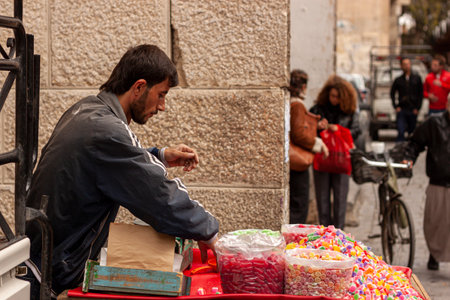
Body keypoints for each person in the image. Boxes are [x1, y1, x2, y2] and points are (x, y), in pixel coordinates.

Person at [24, 44, 219, 298]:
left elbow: (106, 166)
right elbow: (157, 194)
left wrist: (159, 155)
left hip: (40, 259)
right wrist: (209, 231)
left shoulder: (87, 109)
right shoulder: (108, 130)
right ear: (138, 87)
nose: (162, 106)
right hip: (45, 272)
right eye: (161, 95)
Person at [404, 100, 450, 271]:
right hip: (438, 180)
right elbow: (415, 142)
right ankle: (434, 254)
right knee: (435, 221)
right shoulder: (434, 123)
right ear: (448, 105)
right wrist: (409, 157)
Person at [310, 75, 360, 230]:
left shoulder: (349, 112)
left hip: (341, 160)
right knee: (322, 200)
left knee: (340, 201)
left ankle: (338, 235)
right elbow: (305, 130)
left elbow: (357, 131)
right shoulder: (317, 109)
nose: (334, 99)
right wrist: (317, 127)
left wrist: (339, 130)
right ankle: (325, 236)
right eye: (332, 96)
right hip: (322, 159)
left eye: (338, 97)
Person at [288, 70, 328, 224]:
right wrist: (317, 143)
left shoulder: (290, 103)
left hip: (293, 162)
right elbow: (298, 134)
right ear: (303, 86)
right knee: (299, 205)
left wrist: (315, 125)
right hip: (298, 163)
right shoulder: (297, 105)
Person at [390, 57, 423, 142]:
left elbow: (420, 94)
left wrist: (417, 108)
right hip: (402, 109)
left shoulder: (417, 78)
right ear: (401, 66)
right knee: (401, 130)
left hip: (413, 109)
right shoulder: (398, 80)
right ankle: (399, 150)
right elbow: (392, 93)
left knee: (412, 131)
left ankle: (409, 150)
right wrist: (396, 106)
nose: (407, 66)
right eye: (404, 64)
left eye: (408, 64)